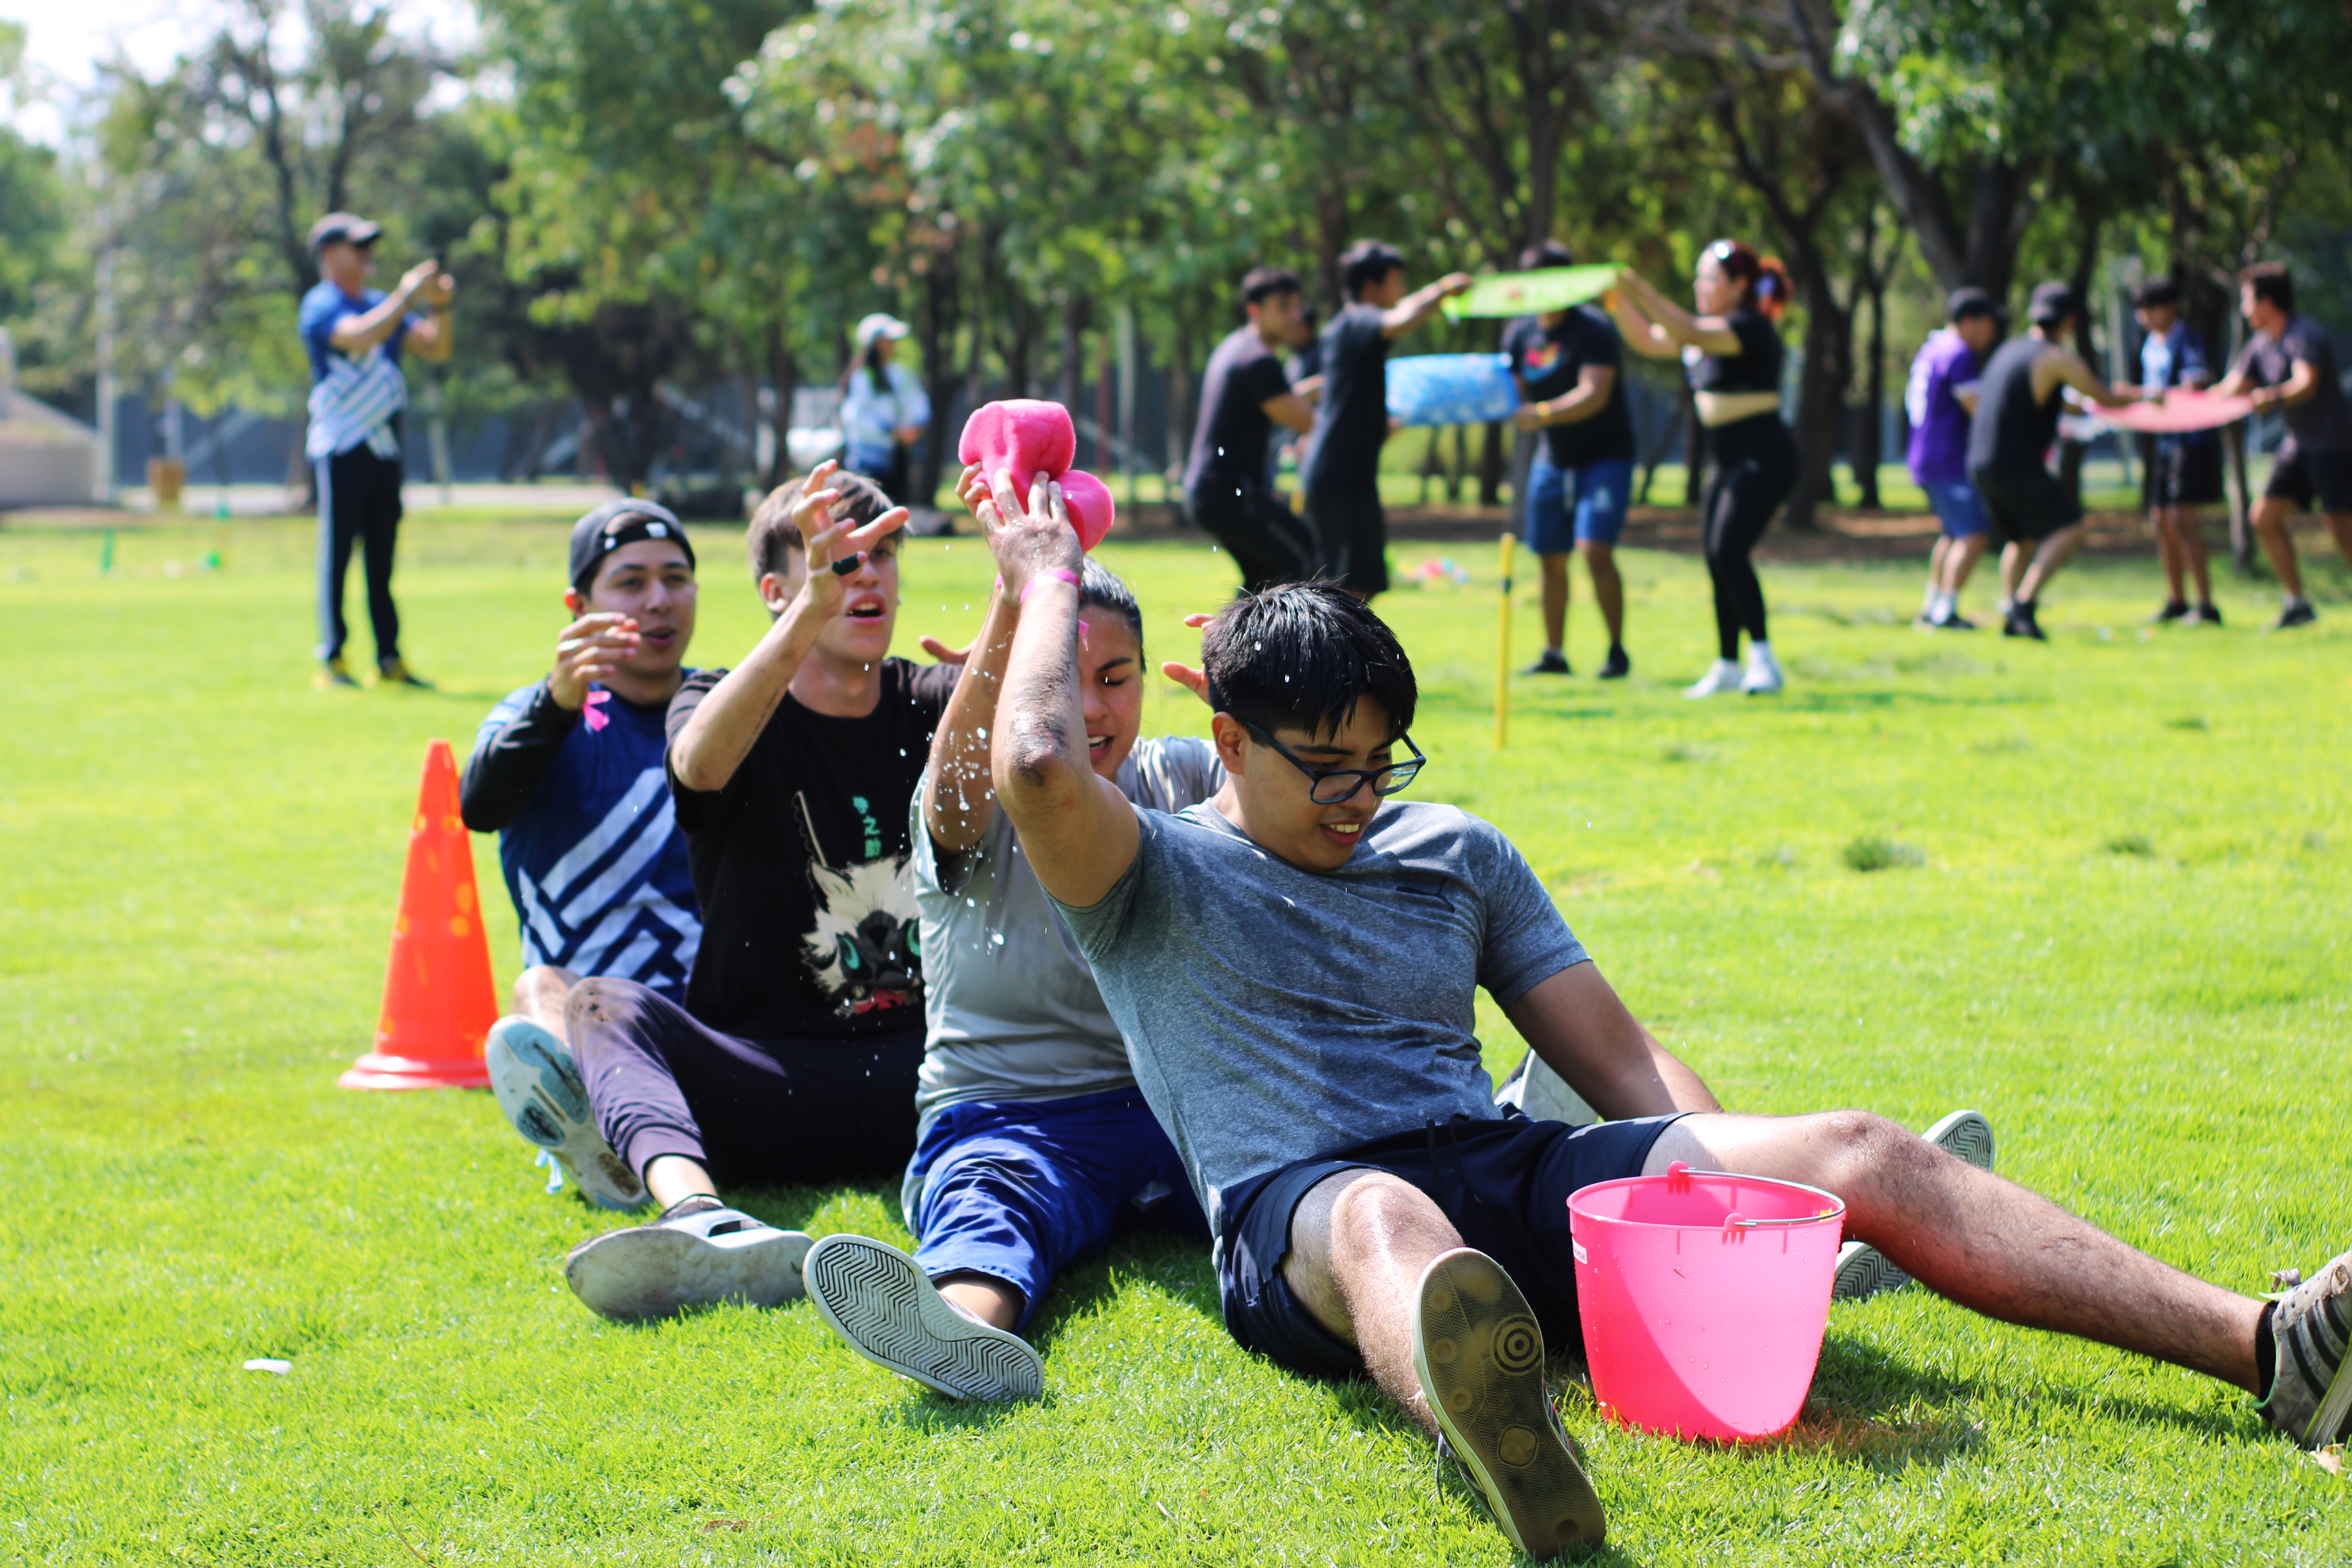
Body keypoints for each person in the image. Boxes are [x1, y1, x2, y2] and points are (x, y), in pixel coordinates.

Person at [965, 468, 2351, 1557]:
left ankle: (2266, 1345)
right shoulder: (1150, 875)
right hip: (1307, 1213)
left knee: (1861, 1147)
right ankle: (1511, 1437)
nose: (1356, 799)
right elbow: (1031, 763)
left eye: (1377, 767)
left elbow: (1617, 1059)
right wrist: (1046, 579)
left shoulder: (1456, 852)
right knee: (1394, 1221)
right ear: (1227, 740)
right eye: (1322, 770)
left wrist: (1739, 1195)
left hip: (1500, 1165)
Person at [802, 526, 1217, 1402]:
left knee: (1304, 1165)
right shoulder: (973, 801)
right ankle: (960, 1325)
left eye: (1116, 679)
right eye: (1064, 681)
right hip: (1011, 1113)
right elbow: (957, 786)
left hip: (1179, 1105)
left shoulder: (1181, 776)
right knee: (992, 1203)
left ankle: (1490, 1146)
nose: (1093, 711)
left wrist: (1259, 724)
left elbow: (1316, 817)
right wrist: (1014, 600)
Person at [557, 462, 962, 1321]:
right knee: (601, 1005)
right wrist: (808, 617)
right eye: (841, 560)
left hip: (926, 1076)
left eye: (885, 554)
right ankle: (700, 1217)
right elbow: (701, 767)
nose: (872, 578)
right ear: (779, 589)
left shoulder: (931, 697)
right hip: (767, 1079)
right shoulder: (710, 696)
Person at [459, 499, 705, 1212]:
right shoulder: (531, 715)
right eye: (630, 582)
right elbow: (479, 805)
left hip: (707, 1024)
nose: (659, 601)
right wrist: (556, 703)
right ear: (578, 606)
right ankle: (594, 1137)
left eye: (677, 578)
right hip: (592, 1033)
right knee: (539, 989)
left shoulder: (718, 706)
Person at [1614, 241, 1797, 696]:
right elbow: (1647, 340)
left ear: (1739, 286)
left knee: (1730, 551)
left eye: (1710, 278)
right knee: (1718, 558)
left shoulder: (1748, 326)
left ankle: (1764, 661)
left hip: (1766, 453)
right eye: (1699, 278)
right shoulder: (1704, 334)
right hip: (1730, 457)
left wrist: (1636, 288)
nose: (1700, 286)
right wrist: (1615, 301)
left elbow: (1689, 330)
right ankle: (1728, 664)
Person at [298, 212, 452, 690]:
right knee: (338, 556)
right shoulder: (321, 305)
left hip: (383, 449)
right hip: (341, 446)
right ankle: (334, 657)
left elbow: (435, 347)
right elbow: (358, 335)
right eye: (355, 245)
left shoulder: (377, 304)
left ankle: (389, 659)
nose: (366, 253)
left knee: (381, 563)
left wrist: (440, 308)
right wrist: (406, 294)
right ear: (329, 254)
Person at [1959, 283, 2143, 641]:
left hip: (1981, 461)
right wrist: (2147, 399)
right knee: (2071, 528)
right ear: (2070, 321)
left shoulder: (2009, 351)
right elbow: (2102, 397)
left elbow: (2066, 403)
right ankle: (2023, 604)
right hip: (2015, 461)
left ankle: (2012, 613)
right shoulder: (2056, 358)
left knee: (2022, 539)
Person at [1300, 242, 1472, 597]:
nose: (1402, 292)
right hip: (1341, 479)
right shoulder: (1361, 320)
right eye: (1396, 283)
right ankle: (1328, 654)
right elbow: (1401, 319)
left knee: (1360, 587)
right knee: (1348, 592)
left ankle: (1338, 653)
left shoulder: (1343, 330)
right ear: (1372, 287)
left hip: (1344, 476)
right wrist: (1443, 291)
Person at [1504, 241, 1639, 678]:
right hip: (1554, 457)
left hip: (1605, 456)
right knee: (1549, 556)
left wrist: (1540, 414)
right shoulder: (1521, 333)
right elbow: (1510, 387)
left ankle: (1617, 651)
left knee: (1595, 549)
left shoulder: (1595, 329)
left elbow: (1594, 394)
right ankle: (1554, 654)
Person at [2208, 263, 2352, 630]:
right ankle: (2297, 603)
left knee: (2340, 526)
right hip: (2298, 444)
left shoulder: (2304, 335)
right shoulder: (2262, 343)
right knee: (2264, 517)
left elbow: (2306, 383)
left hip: (2333, 443)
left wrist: (2269, 397)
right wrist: (2184, 401)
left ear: (2266, 302)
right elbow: (2232, 387)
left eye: (2247, 300)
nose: (2244, 308)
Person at [1182, 267, 1322, 591]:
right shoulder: (1261, 361)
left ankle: (1232, 642)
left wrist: (1313, 390)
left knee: (1264, 579)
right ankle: (1288, 642)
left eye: (1297, 306)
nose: (1294, 316)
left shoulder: (1236, 348)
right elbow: (1307, 421)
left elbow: (1272, 402)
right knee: (1302, 564)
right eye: (1283, 307)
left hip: (1213, 491)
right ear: (1254, 311)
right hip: (1233, 493)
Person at [1905, 289, 2007, 630]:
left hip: (1925, 454)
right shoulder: (1958, 354)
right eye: (1988, 325)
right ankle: (1944, 613)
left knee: (1952, 534)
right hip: (1947, 456)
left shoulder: (1932, 349)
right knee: (1975, 533)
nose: (1992, 334)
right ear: (1969, 322)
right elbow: (1977, 409)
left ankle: (1932, 607)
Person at [2132, 278, 2226, 626]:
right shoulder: (2150, 345)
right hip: (2164, 444)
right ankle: (2176, 599)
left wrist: (2145, 396)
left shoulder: (2187, 341)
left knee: (2183, 520)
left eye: (2150, 308)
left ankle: (2206, 604)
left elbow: (2194, 389)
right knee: (2160, 519)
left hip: (2190, 444)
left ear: (2170, 307)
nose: (2145, 317)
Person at [840, 314, 933, 504]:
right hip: (868, 459)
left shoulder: (901, 373)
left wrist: (915, 429)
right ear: (874, 343)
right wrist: (892, 432)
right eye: (887, 340)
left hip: (895, 457)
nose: (892, 345)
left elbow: (917, 405)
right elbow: (856, 418)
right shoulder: (864, 376)